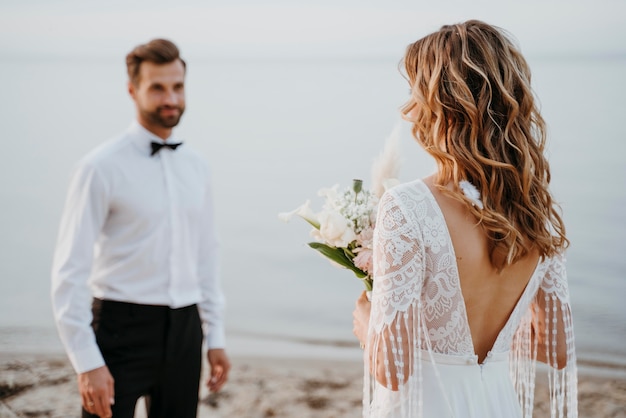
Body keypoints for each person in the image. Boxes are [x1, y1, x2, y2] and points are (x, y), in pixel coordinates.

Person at [352, 20, 577, 417]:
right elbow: (557, 348)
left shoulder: (407, 207)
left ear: (441, 105)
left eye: (416, 93)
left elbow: (392, 370)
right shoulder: (535, 210)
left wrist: (366, 323)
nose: (408, 110)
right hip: (495, 403)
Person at [51, 38, 230, 418]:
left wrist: (215, 336)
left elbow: (206, 255)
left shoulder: (197, 167)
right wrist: (86, 361)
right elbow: (68, 273)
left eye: (178, 87)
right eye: (158, 87)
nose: (171, 98)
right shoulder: (99, 167)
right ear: (132, 91)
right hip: (120, 330)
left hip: (185, 328)